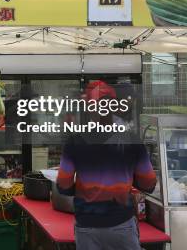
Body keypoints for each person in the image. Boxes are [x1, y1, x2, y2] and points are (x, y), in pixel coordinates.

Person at [56, 80, 157, 250]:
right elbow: (149, 183)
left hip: (87, 227)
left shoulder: (75, 141)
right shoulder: (131, 140)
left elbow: (63, 185)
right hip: (121, 225)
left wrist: (84, 189)